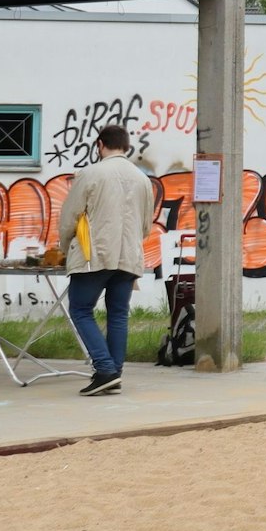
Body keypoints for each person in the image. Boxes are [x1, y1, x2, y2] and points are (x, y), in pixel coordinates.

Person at [56, 123, 154, 396]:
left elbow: (70, 217)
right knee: (118, 314)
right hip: (129, 256)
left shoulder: (91, 173)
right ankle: (114, 373)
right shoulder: (142, 179)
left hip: (95, 254)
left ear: (100, 144)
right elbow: (146, 225)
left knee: (80, 309)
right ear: (126, 146)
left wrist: (66, 247)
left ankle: (105, 369)